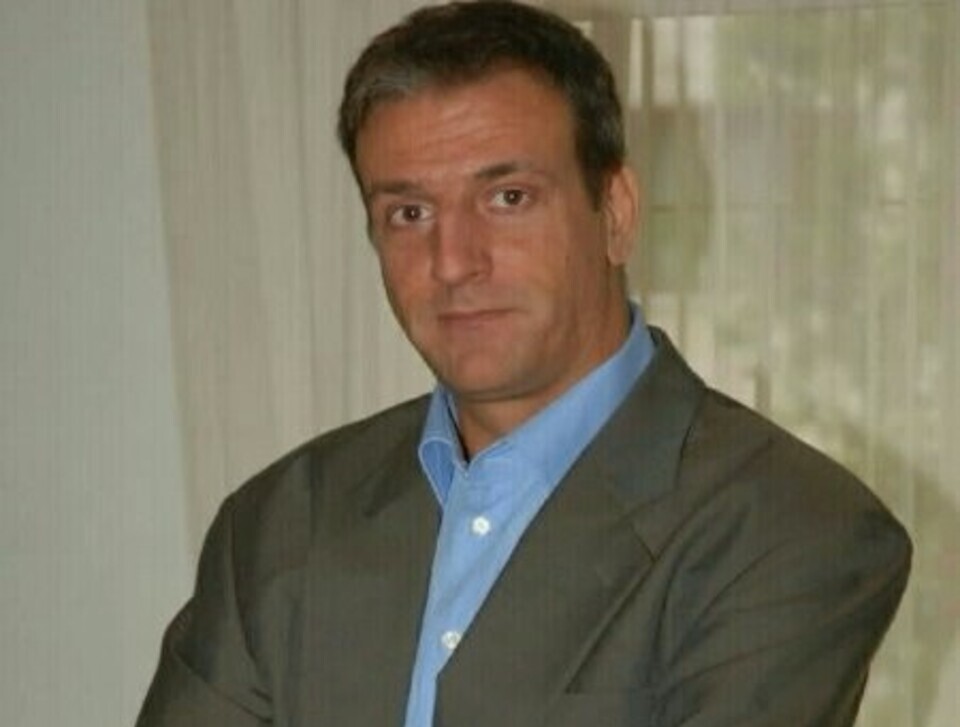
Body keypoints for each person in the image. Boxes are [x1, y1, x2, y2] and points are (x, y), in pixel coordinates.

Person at [137, 2, 911, 725]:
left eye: (508, 197)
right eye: (410, 213)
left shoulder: (792, 529)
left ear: (616, 213)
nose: (453, 261)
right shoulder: (278, 526)